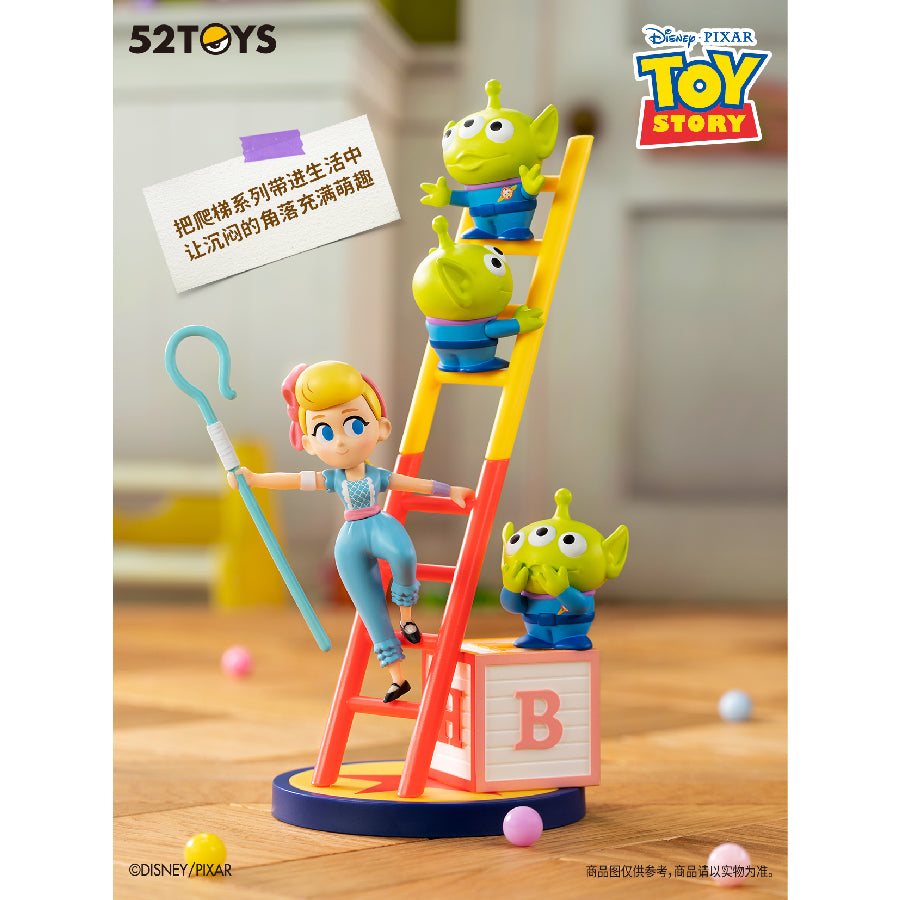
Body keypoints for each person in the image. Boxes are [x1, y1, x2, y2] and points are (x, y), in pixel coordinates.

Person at [228, 360, 472, 702]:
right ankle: (397, 678)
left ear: (381, 428)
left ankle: (407, 618)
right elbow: (293, 480)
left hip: (379, 524)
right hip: (350, 541)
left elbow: (413, 483)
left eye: (354, 425)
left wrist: (450, 491)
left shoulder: (377, 476)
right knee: (370, 610)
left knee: (404, 556)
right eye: (326, 433)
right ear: (310, 443)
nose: (341, 442)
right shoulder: (331, 478)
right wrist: (253, 479)